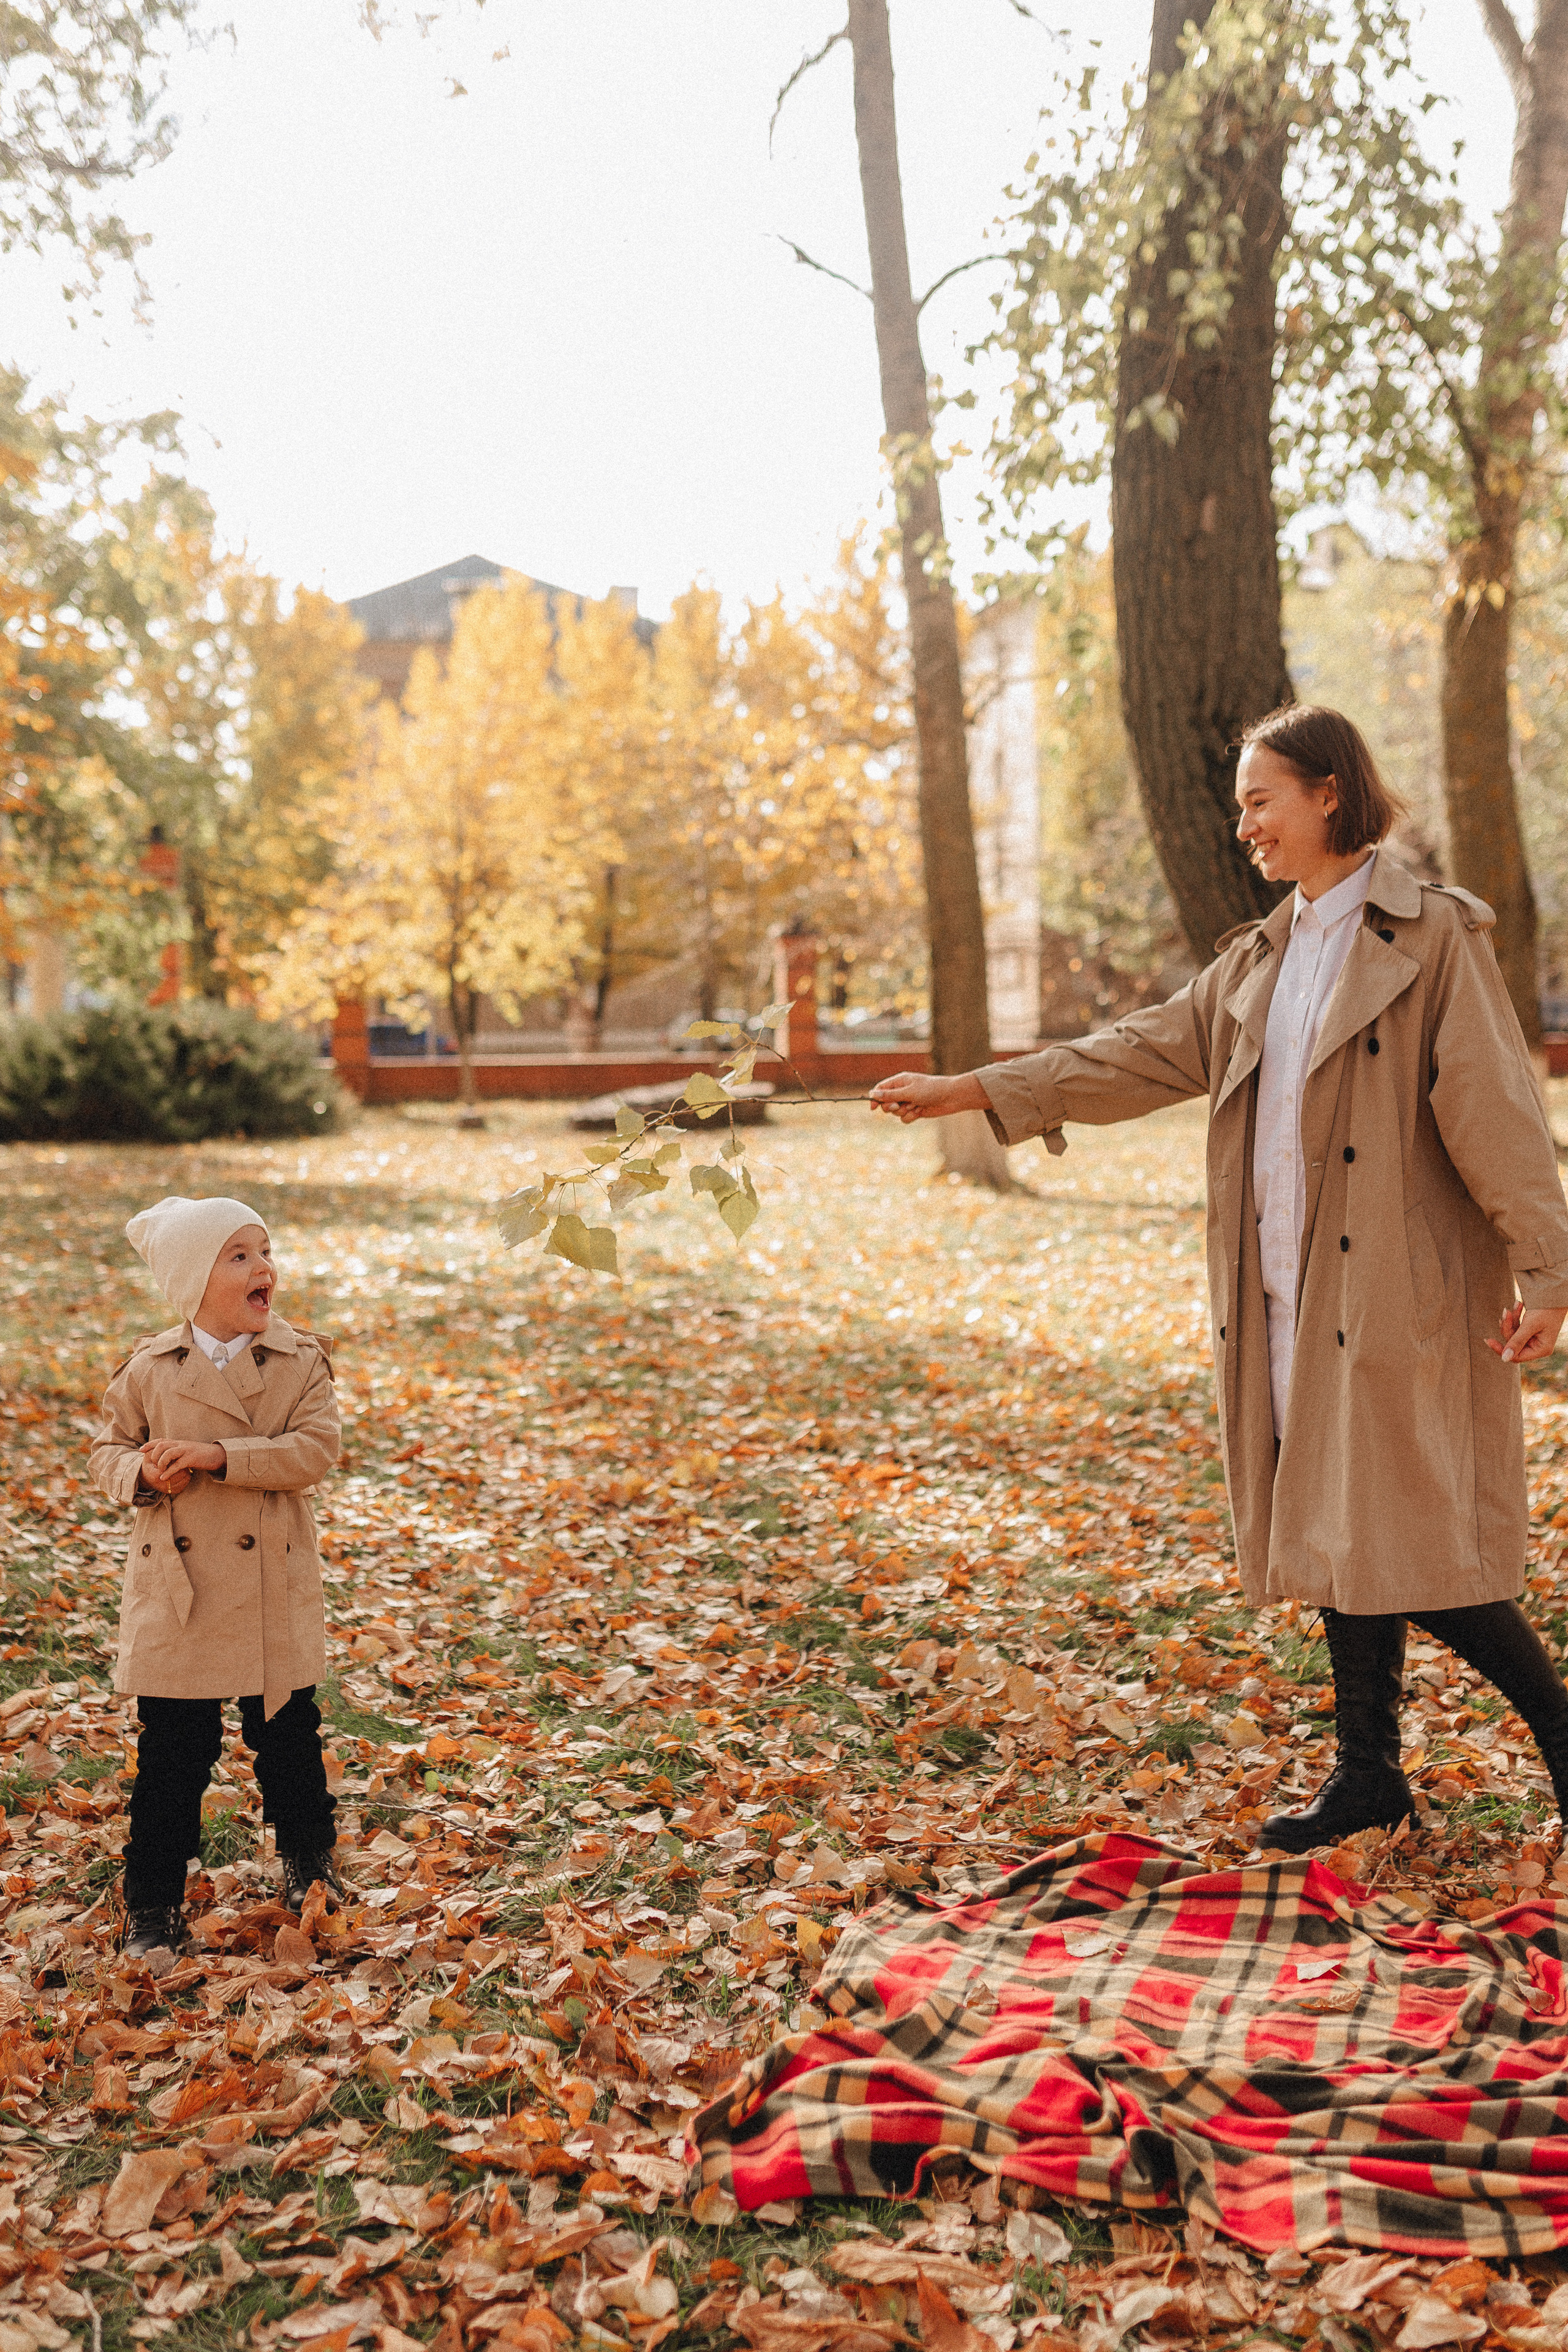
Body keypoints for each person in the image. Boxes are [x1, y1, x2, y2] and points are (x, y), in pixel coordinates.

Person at [872, 704, 1568, 1853]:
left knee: (1405, 1528)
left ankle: (1553, 1732)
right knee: (1338, 1515)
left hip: (1394, 1283)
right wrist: (977, 1090)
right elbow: (1135, 1052)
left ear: (1328, 795)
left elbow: (1494, 1108)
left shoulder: (1433, 938)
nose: (1245, 825)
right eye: (1241, 805)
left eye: (1261, 801)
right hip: (1284, 1285)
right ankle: (1369, 1774)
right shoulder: (1259, 958)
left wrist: (1546, 1269)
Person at [90, 1194, 343, 1954]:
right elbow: (105, 1453)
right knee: (173, 1748)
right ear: (191, 1282)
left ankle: (308, 1862)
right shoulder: (150, 1368)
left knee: (289, 1734)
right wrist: (142, 1473)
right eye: (239, 1257)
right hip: (180, 1587)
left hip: (270, 1575)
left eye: (265, 1251)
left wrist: (217, 1457)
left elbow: (315, 1450)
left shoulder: (299, 1361)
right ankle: (154, 1898)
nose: (264, 1269)